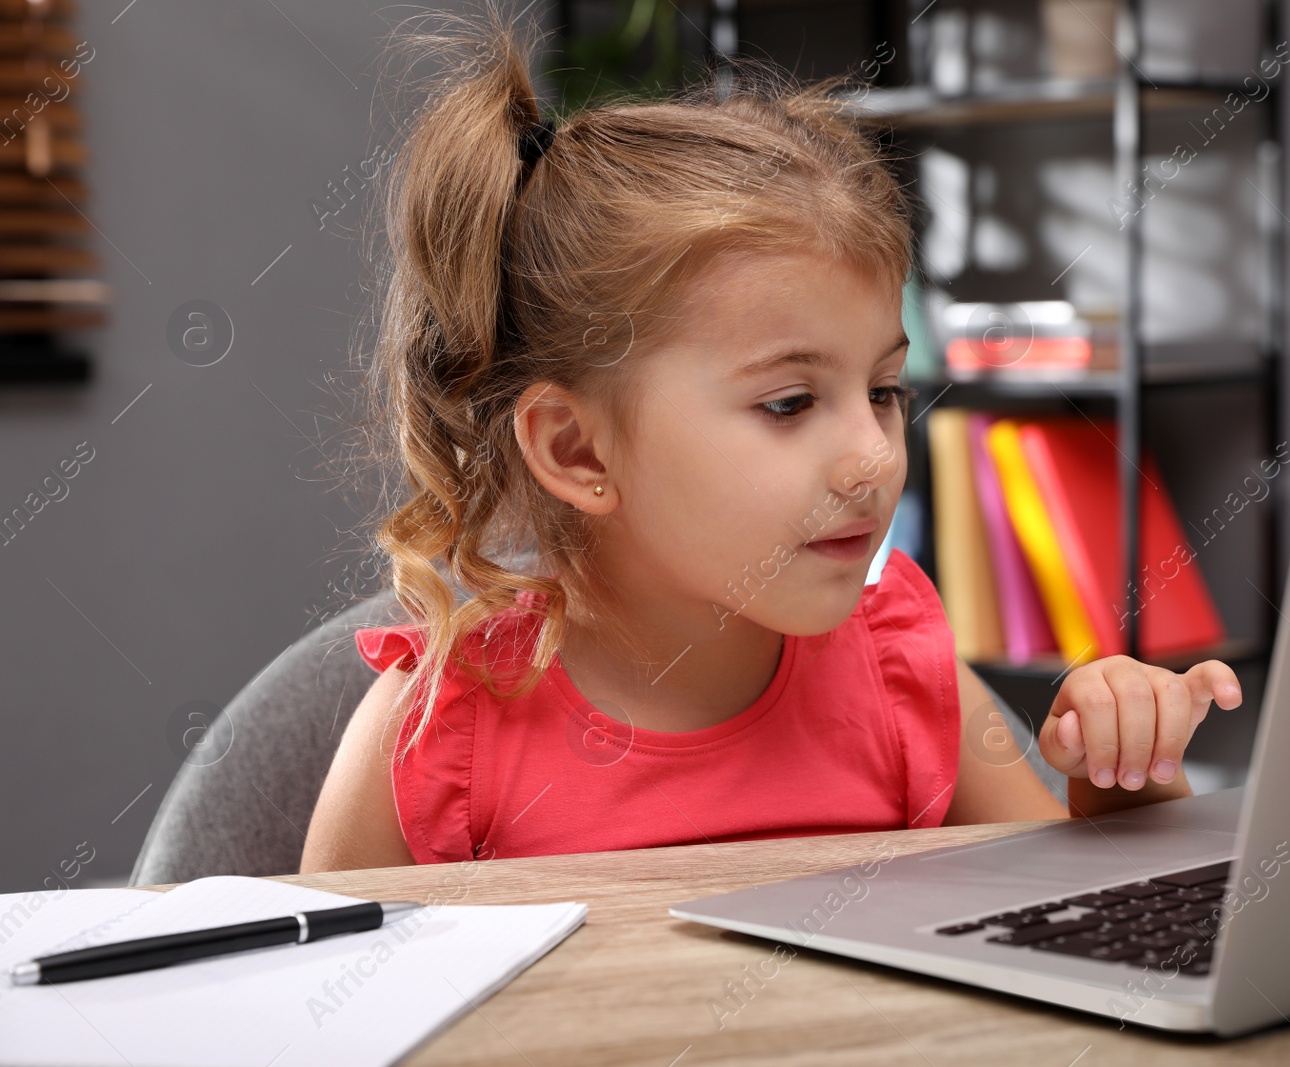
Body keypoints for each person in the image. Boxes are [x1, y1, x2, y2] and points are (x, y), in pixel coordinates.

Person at [301, 6, 1240, 873]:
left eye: (881, 391)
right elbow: (322, 1023)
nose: (875, 458)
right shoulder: (433, 736)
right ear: (579, 452)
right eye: (790, 403)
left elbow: (1059, 938)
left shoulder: (902, 674)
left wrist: (1129, 779)